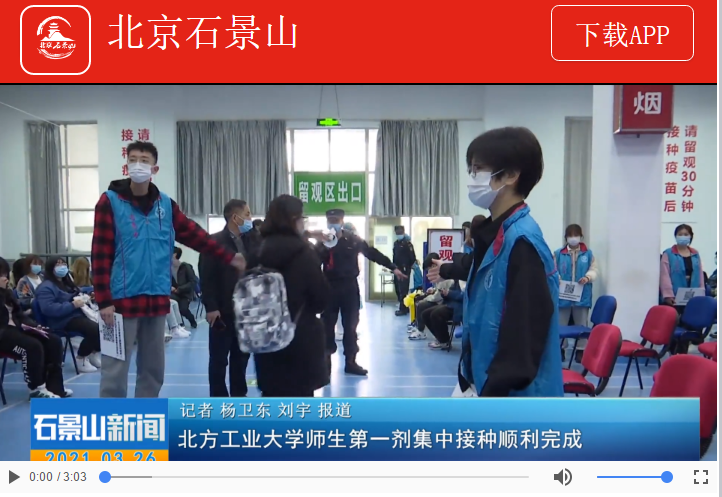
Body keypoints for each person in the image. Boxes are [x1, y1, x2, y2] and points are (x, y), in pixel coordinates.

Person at [91, 140, 245, 398]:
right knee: (115, 371)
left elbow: (196, 236)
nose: (138, 165)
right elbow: (100, 252)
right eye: (133, 159)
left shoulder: (165, 205)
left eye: (144, 161)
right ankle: (113, 420)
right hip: (119, 304)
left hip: (156, 300)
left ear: (155, 168)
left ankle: (145, 417)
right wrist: (104, 300)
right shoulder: (110, 202)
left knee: (153, 370)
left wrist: (229, 257)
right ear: (126, 165)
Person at [428, 127, 563, 397]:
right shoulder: (494, 235)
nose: (472, 179)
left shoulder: (522, 243)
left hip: (514, 400)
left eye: (478, 169)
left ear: (511, 175)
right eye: (471, 170)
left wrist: (491, 395)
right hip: (481, 380)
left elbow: (523, 343)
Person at [245, 195, 331, 397]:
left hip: (266, 339)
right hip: (300, 338)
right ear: (294, 220)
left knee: (272, 400)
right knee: (301, 404)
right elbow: (321, 299)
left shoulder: (257, 252)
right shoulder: (304, 253)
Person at [315, 209, 406, 376]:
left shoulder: (353, 239)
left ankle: (351, 362)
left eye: (336, 220)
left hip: (349, 288)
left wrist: (393, 267)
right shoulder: (323, 242)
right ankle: (325, 363)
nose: (333, 223)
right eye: (330, 220)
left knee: (351, 326)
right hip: (329, 288)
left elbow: (372, 253)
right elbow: (312, 263)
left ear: (342, 221)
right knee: (327, 326)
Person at [200, 199, 255, 397]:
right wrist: (211, 307)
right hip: (222, 310)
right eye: (247, 214)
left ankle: (239, 395)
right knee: (218, 359)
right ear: (235, 217)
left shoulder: (252, 241)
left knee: (241, 357)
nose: (250, 218)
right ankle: (218, 398)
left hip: (246, 310)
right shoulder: (214, 242)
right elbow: (206, 277)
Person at [0, 257, 71, 399]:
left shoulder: (7, 293)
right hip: (3, 333)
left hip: (15, 329)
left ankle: (54, 387)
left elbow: (19, 315)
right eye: (1, 275)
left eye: (5, 274)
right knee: (32, 346)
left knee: (53, 340)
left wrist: (35, 326)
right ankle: (36, 389)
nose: (5, 278)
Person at [35, 257, 102, 373]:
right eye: (58, 264)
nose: (62, 267)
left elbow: (76, 292)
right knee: (94, 329)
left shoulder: (66, 283)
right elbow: (48, 309)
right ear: (51, 268)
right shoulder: (45, 287)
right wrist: (72, 305)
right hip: (61, 320)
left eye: (63, 264)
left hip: (75, 315)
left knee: (104, 325)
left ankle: (92, 352)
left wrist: (88, 295)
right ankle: (81, 358)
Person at [554, 224, 598, 362]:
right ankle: (560, 349)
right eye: (570, 235)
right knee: (560, 324)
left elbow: (594, 269)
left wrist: (587, 277)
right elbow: (552, 269)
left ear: (581, 237)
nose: (573, 238)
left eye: (576, 235)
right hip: (563, 295)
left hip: (582, 295)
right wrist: (557, 278)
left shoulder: (588, 254)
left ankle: (581, 350)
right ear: (566, 237)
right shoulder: (558, 254)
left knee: (581, 324)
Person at [660, 224, 704, 313]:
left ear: (691, 236)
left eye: (686, 234)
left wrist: (701, 291)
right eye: (680, 234)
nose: (683, 236)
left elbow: (699, 274)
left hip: (693, 294)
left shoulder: (695, 254)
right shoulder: (668, 253)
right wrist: (668, 295)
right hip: (674, 296)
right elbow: (664, 275)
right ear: (675, 236)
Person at [171, 247, 199, 329]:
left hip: (185, 294)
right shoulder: (168, 269)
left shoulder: (186, 267)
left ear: (174, 255)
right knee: (170, 304)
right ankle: (178, 325)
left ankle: (192, 320)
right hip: (174, 293)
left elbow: (193, 282)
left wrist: (179, 289)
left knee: (183, 309)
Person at [392, 226, 416, 316]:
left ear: (403, 232)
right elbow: (395, 256)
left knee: (403, 290)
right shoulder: (396, 243)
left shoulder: (408, 244)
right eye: (397, 233)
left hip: (405, 269)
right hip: (397, 268)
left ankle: (403, 309)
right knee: (398, 289)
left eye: (400, 232)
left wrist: (407, 267)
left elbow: (412, 257)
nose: (399, 234)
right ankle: (404, 306)